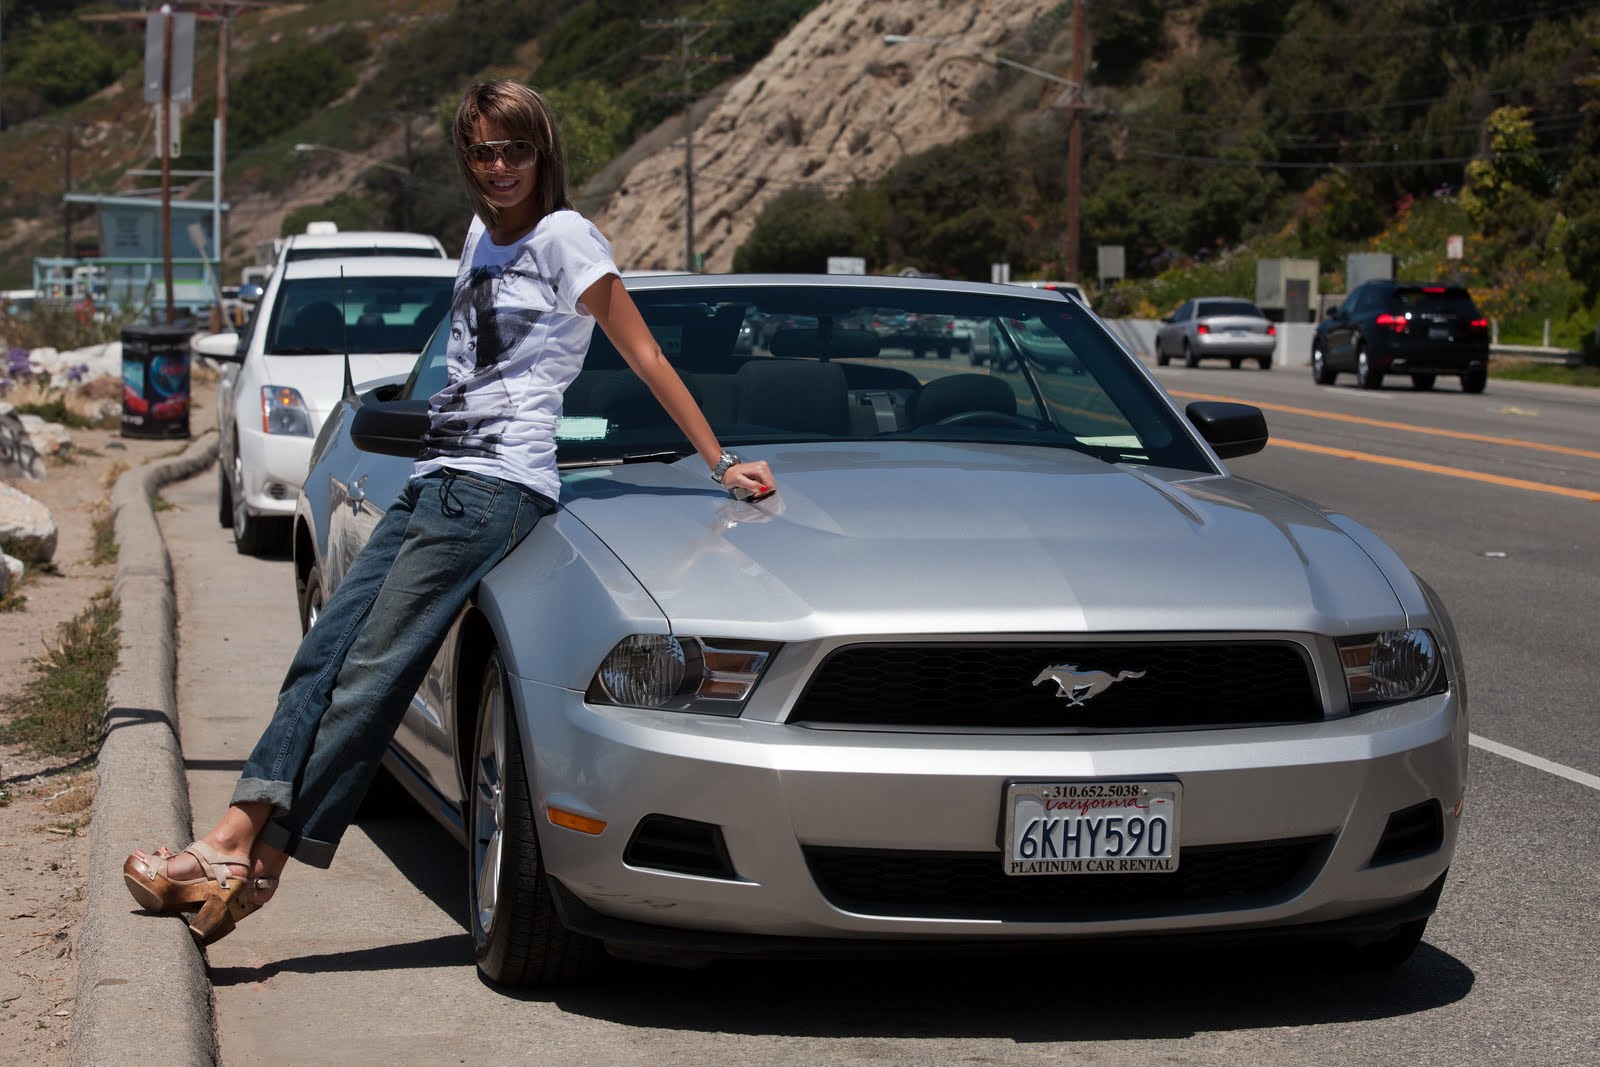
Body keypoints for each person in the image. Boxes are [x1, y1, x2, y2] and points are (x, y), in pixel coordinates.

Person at [123, 79, 775, 946]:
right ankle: (247, 856)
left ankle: (236, 847)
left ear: (543, 151)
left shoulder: (566, 239)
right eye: (483, 151)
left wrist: (720, 461)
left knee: (371, 671)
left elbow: (644, 352)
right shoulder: (478, 235)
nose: (500, 167)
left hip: (496, 485)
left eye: (516, 149)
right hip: (435, 476)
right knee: (323, 654)